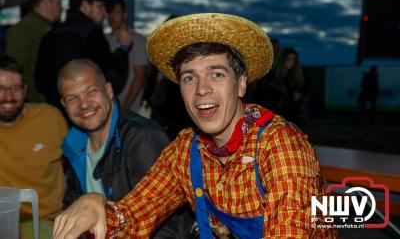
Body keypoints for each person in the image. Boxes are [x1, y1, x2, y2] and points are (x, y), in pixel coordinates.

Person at [52, 13, 336, 238]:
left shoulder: (281, 146)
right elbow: (134, 217)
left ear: (240, 84)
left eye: (216, 74)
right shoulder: (187, 149)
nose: (201, 90)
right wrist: (95, 204)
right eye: (189, 78)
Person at [57, 58, 193, 238]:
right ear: (64, 105)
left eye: (91, 91)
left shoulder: (142, 139)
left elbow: (170, 229)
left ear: (108, 90)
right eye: (73, 98)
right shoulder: (74, 144)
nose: (84, 104)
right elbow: (72, 206)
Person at [0, 55, 67, 239]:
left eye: (15, 88)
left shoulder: (50, 118)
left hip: (48, 220)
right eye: (1, 89)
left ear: (25, 90)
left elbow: (80, 162)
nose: (8, 97)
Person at [35, 0, 131, 111]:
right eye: (100, 6)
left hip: (55, 115)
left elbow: (40, 84)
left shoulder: (50, 34)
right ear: (85, 6)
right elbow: (112, 81)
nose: (104, 12)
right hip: (85, 113)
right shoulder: (92, 34)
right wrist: (123, 48)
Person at [6, 0, 62, 102]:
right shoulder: (23, 29)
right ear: (46, 2)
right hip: (37, 102)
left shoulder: (48, 27)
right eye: (58, 3)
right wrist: (35, 99)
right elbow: (16, 69)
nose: (61, 8)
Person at [105, 0, 149, 113]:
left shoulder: (137, 39)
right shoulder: (103, 40)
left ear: (124, 14)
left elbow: (140, 77)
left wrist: (125, 108)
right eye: (109, 12)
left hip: (128, 109)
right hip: (106, 108)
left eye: (117, 12)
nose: (112, 17)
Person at [273, 47, 309, 126]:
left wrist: (299, 96)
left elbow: (304, 92)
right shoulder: (275, 77)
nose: (291, 61)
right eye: (288, 58)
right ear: (283, 59)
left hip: (294, 116)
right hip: (279, 115)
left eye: (293, 59)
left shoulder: (298, 77)